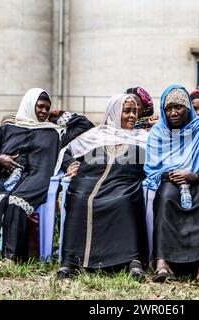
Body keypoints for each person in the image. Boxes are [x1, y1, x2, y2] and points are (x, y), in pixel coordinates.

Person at [0, 88, 93, 266]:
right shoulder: (8, 128)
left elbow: (85, 126)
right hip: (6, 179)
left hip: (37, 180)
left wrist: (59, 115)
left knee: (15, 203)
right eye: (40, 106)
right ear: (29, 105)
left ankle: (9, 257)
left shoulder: (54, 133)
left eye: (47, 108)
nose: (43, 111)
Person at [144, 85, 199, 286]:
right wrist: (170, 174)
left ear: (188, 109)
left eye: (179, 107)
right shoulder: (159, 132)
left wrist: (194, 176)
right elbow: (152, 169)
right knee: (165, 197)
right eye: (168, 108)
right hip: (173, 179)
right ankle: (162, 263)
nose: (173, 112)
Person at [56, 94, 149, 280]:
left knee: (126, 200)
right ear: (114, 112)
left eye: (135, 112)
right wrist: (70, 164)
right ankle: (71, 261)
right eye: (127, 111)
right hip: (88, 179)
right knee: (80, 199)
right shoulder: (95, 135)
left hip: (125, 182)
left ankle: (132, 260)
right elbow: (66, 151)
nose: (132, 116)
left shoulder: (144, 137)